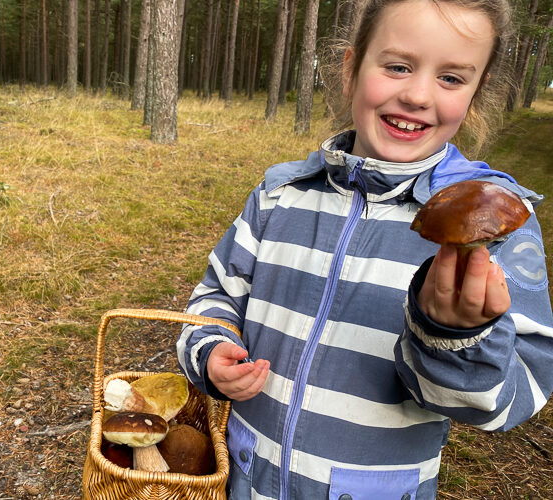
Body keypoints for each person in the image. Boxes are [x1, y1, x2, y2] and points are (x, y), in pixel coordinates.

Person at [175, 0, 553, 498]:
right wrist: (211, 352)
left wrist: (451, 338)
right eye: (398, 67)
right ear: (351, 69)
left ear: (476, 93)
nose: (418, 95)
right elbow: (215, 298)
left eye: (451, 78)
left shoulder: (493, 223)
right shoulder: (280, 196)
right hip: (248, 477)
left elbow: (507, 401)